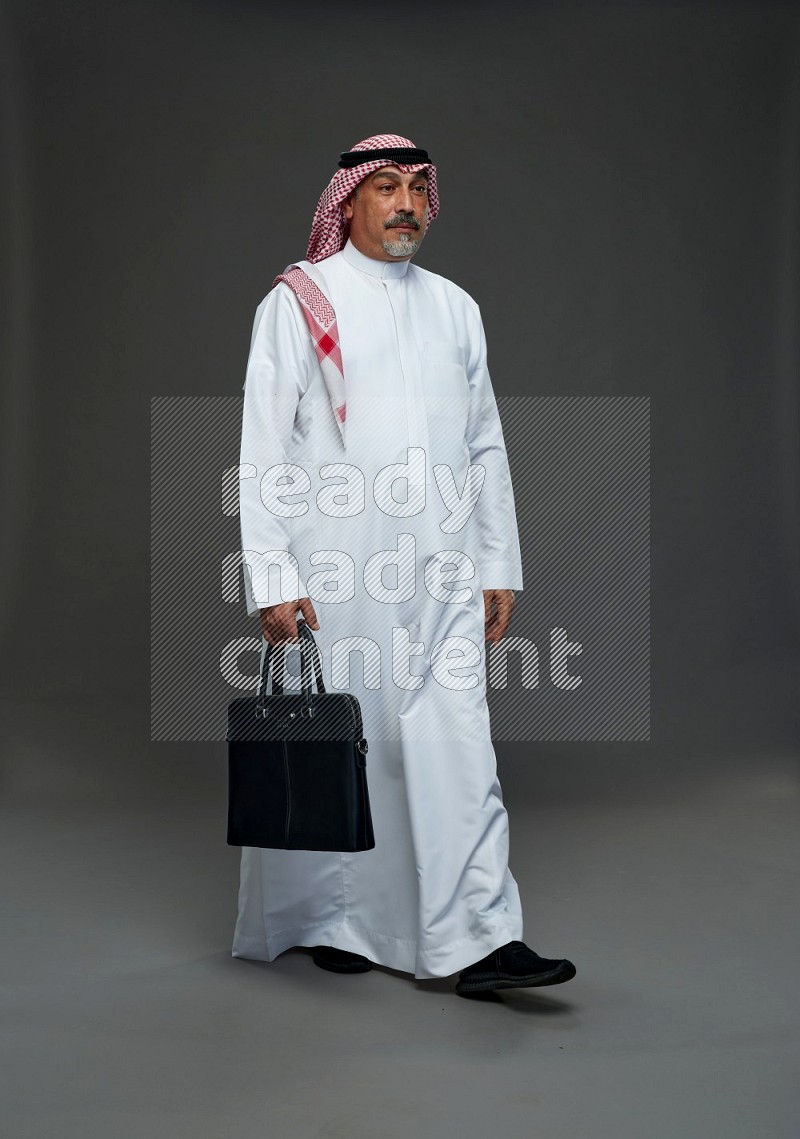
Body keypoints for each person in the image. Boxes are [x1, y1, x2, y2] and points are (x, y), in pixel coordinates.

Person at [233, 133, 576, 995]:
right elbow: (265, 444)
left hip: (445, 565)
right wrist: (271, 575)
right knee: (351, 742)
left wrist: (501, 561)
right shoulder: (301, 301)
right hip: (339, 567)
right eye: (385, 187)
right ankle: (336, 921)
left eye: (418, 189)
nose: (405, 204)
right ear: (345, 202)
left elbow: (484, 442)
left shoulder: (456, 306)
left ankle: (486, 938)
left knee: (458, 742)